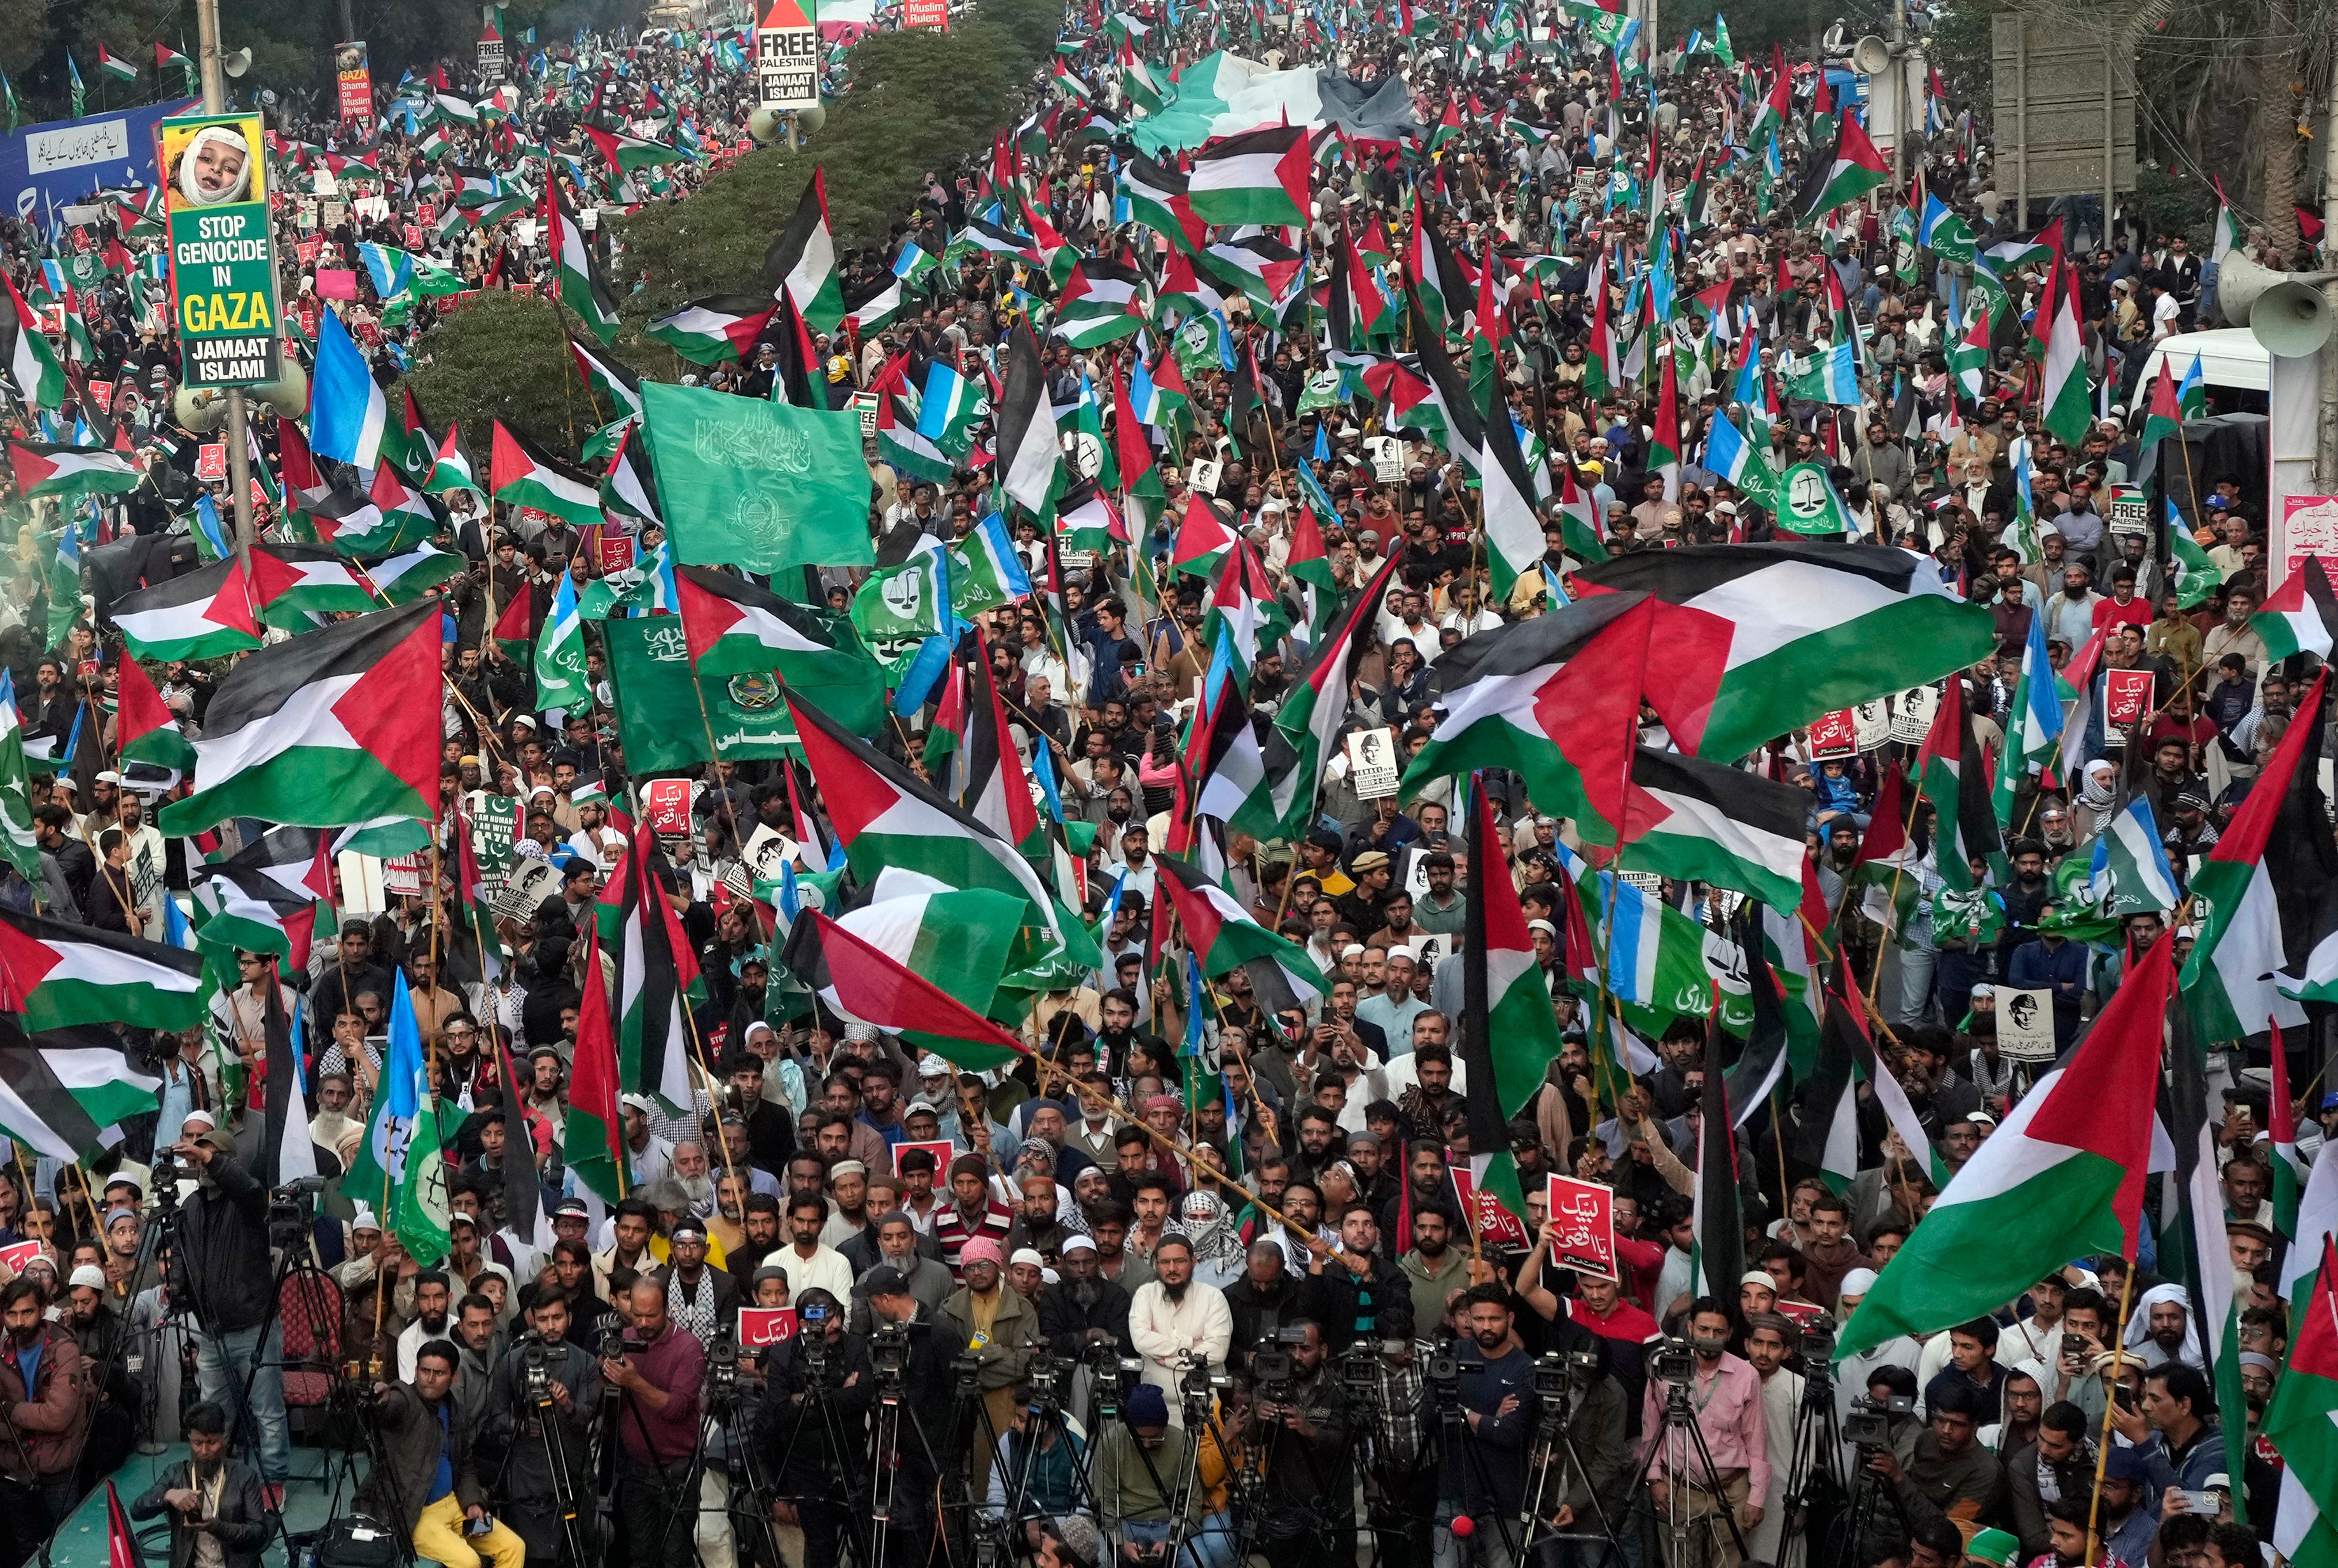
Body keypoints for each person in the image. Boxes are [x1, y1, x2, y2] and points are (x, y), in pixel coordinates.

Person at [167, 1126, 288, 1493]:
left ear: (227, 1161)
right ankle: (219, 1477)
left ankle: (274, 1480)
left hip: (255, 1326)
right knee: (214, 1411)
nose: (200, 1161)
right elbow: (182, 1253)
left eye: (209, 1154)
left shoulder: (248, 1202)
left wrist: (210, 1159)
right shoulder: (190, 1206)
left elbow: (249, 1189)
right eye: (197, 1155)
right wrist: (176, 1287)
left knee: (267, 1411)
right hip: (210, 1330)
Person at [361, 1340, 527, 1568]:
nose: (430, 1379)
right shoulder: (406, 1399)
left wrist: (472, 1503)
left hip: (455, 1504)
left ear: (454, 1377)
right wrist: (382, 1400)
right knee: (469, 1562)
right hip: (417, 1513)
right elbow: (391, 1406)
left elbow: (465, 1463)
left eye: (439, 1373)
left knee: (514, 1547)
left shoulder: (455, 1408)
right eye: (424, 1371)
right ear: (417, 1371)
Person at [1639, 1298, 1767, 1568]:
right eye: (1704, 1330)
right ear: (1690, 1328)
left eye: (1719, 1332)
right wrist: (1654, 1479)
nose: (1710, 1338)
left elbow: (1756, 1442)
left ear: (1731, 1334)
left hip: (1731, 1492)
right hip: (1679, 1489)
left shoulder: (1747, 1375)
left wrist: (1757, 1497)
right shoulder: (1665, 1368)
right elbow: (1651, 1429)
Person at [482, 1287, 602, 1564]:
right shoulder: (512, 1360)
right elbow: (495, 1418)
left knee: (574, 1553)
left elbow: (589, 1418)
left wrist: (567, 1403)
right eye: (543, 1318)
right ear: (532, 1320)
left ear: (569, 1318)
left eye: (557, 1317)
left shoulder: (584, 1361)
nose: (550, 1325)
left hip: (571, 1468)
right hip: (527, 1473)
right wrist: (518, 1425)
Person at [757, 1287, 873, 1568]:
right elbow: (780, 1413)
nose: (835, 1325)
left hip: (851, 1465)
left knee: (868, 1544)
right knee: (821, 1551)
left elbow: (862, 1396)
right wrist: (838, 1396)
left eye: (837, 1316)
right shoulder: (783, 1354)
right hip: (805, 1471)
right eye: (827, 1320)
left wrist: (807, 1402)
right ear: (804, 1325)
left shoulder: (854, 1346)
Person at [603, 1275, 707, 1568]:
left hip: (677, 1470)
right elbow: (603, 1404)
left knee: (676, 1556)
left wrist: (634, 1381)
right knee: (640, 1555)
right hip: (634, 1469)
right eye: (637, 1315)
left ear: (668, 1309)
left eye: (652, 1315)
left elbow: (676, 1409)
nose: (644, 1324)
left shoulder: (688, 1348)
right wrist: (604, 1373)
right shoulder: (623, 1341)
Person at [0, 1277, 84, 1564]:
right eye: (12, 1314)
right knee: (26, 1554)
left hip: (56, 1470)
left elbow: (58, 1416)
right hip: (14, 1471)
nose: (19, 1321)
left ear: (42, 1310)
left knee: (65, 1549)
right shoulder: (3, 1353)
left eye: (27, 1312)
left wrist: (10, 1411)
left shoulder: (63, 1349)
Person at [130, 1401, 271, 1568]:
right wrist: (167, 1495)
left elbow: (259, 1534)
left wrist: (218, 1527)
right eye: (197, 1443)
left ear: (224, 1439)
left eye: (212, 1443)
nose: (204, 1451)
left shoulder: (245, 1477)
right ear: (189, 1440)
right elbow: (136, 1512)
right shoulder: (176, 1474)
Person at [1126, 1234, 1233, 1427]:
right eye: (1165, 1262)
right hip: (1156, 1407)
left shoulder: (1213, 1297)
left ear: (1194, 1262)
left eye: (1180, 1261)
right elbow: (1141, 1341)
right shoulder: (1145, 1295)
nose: (1172, 1269)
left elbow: (1217, 1350)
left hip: (1205, 1405)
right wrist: (1192, 1344)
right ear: (1156, 1264)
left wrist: (1168, 1360)